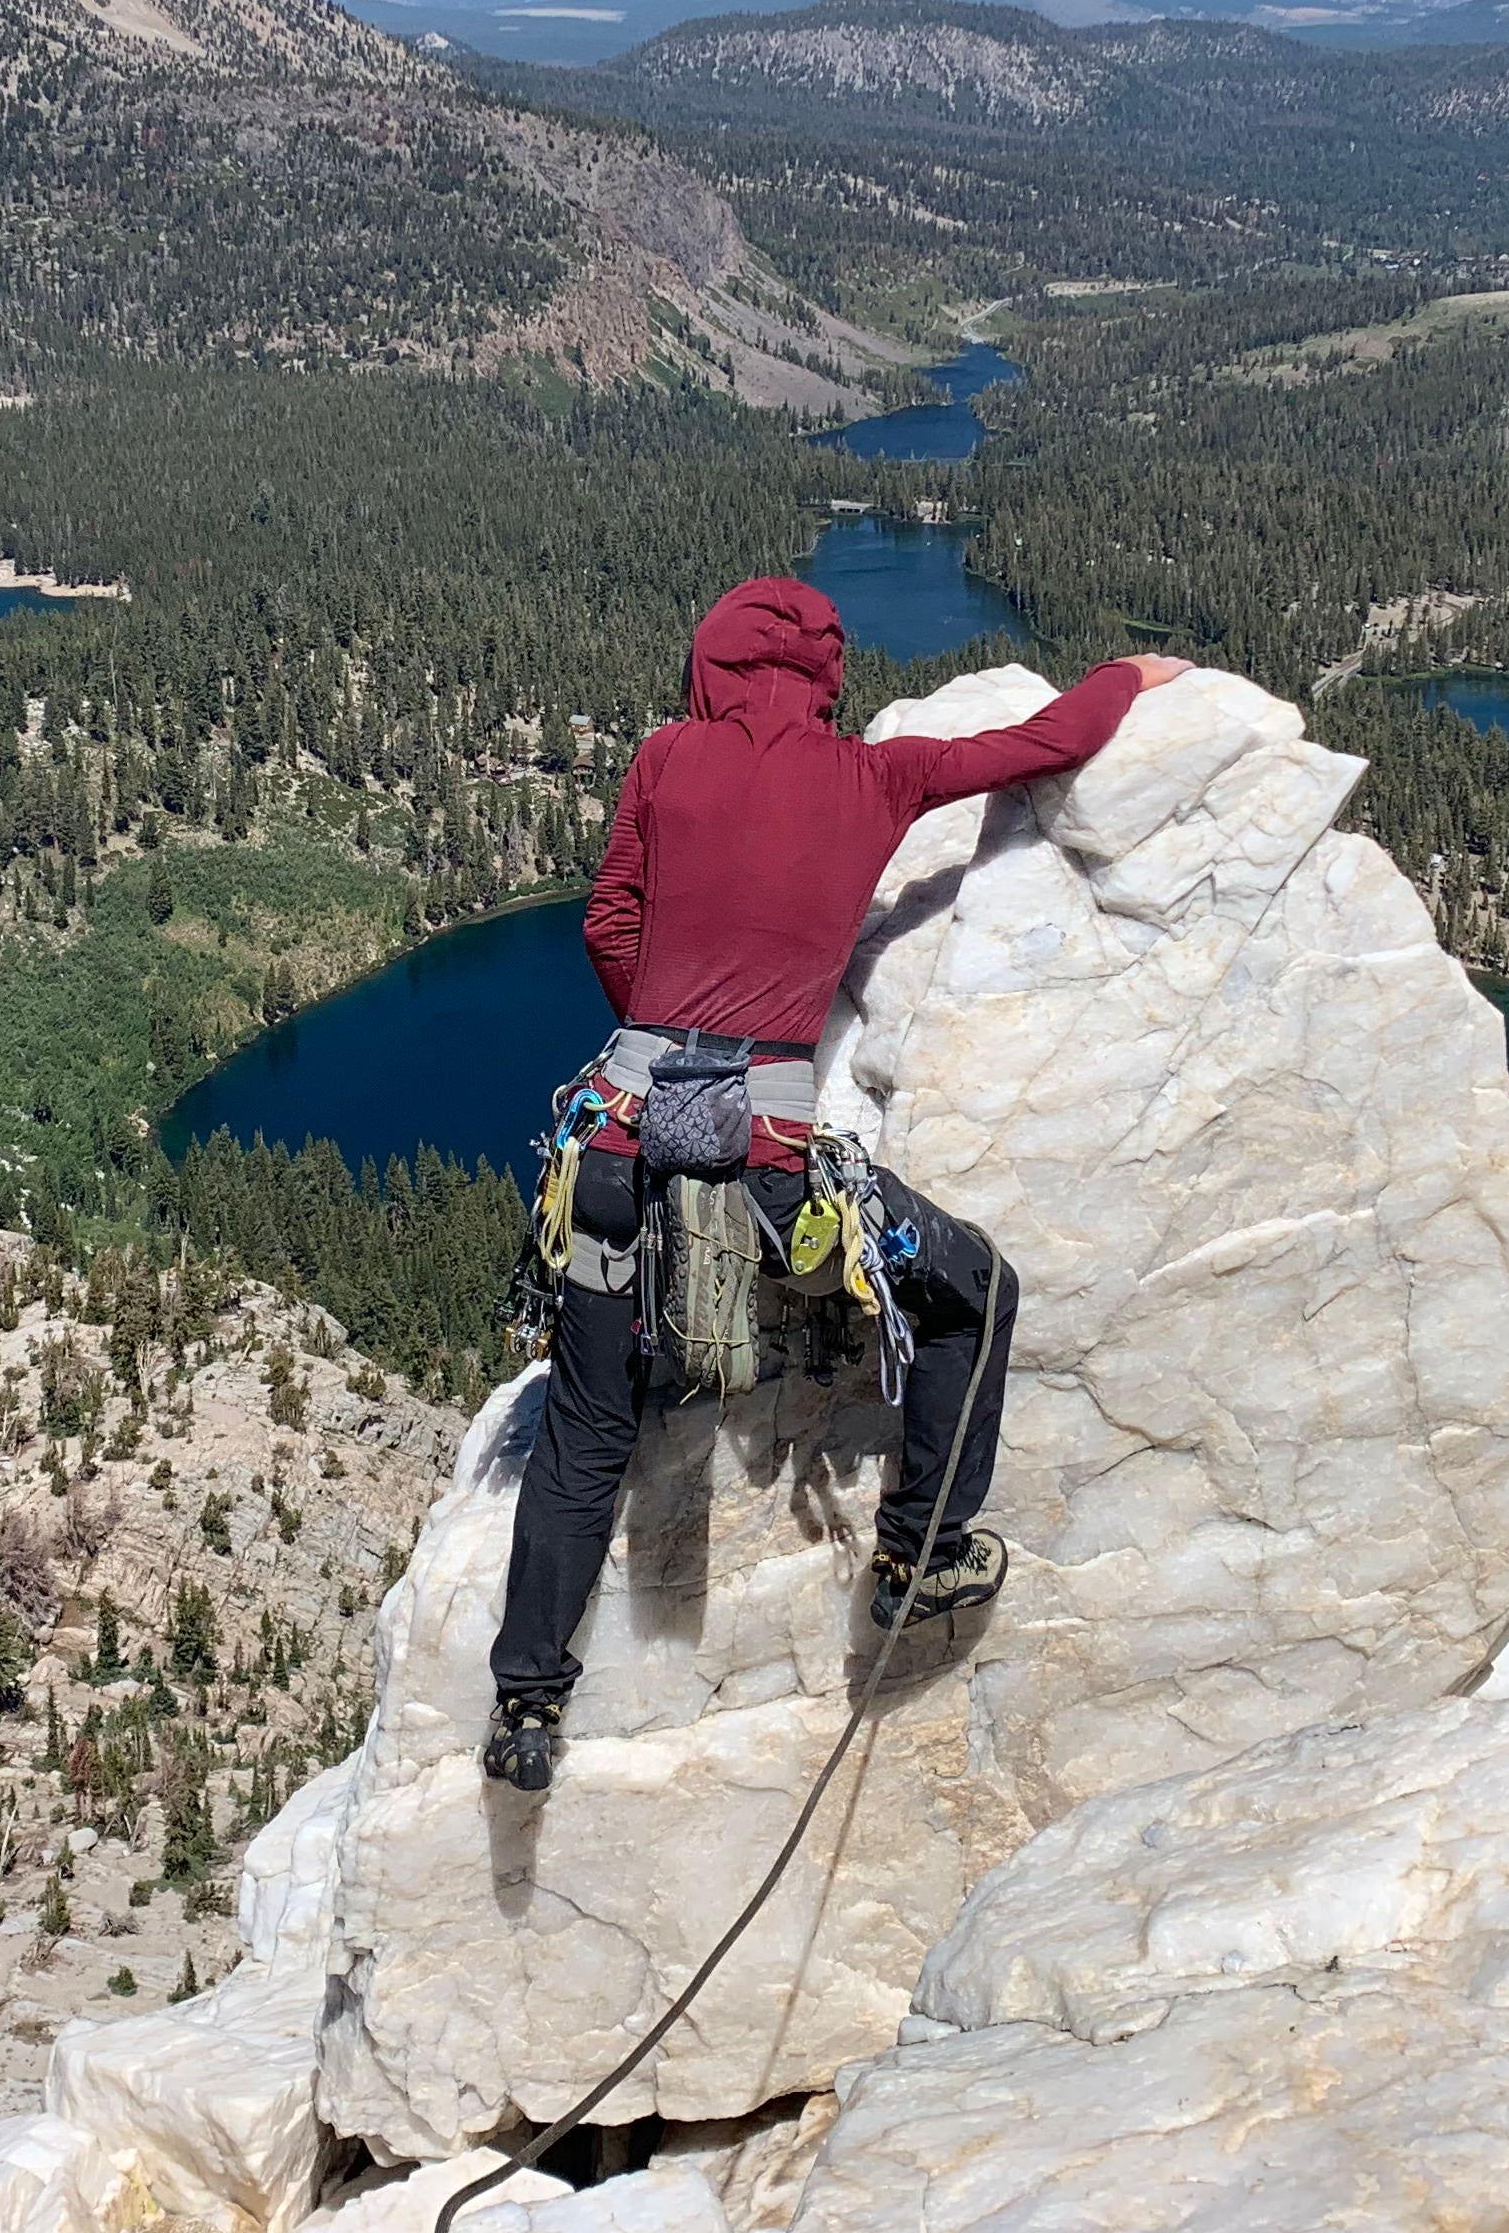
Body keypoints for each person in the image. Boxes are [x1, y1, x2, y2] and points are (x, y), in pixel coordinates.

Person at [482, 576, 1192, 1791]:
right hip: (767, 1173)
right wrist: (1129, 679)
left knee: (588, 1432)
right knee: (971, 1289)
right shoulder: (878, 778)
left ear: (709, 667)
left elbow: (610, 922)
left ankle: (528, 1706)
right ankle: (920, 1561)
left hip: (613, 1147)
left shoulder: (662, 761)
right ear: (823, 680)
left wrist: (668, 1038)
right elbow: (1048, 742)